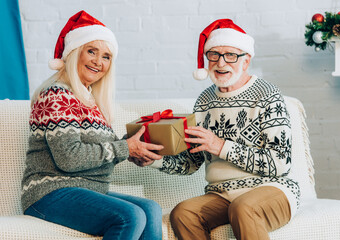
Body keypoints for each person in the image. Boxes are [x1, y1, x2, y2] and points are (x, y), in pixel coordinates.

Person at [131, 19, 300, 240]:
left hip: (272, 189)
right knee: (183, 213)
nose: (221, 63)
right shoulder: (204, 101)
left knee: (243, 207)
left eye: (230, 55)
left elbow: (279, 163)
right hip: (222, 195)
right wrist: (153, 160)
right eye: (214, 55)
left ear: (246, 60)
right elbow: (192, 162)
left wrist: (221, 146)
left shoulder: (267, 95)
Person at [21, 10, 163, 240]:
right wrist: (124, 148)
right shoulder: (56, 95)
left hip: (89, 190)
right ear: (75, 53)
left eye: (106, 56)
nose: (98, 61)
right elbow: (69, 158)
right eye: (91, 51)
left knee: (150, 209)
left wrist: (132, 152)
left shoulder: (91, 100)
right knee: (130, 216)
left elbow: (101, 152)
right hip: (49, 194)